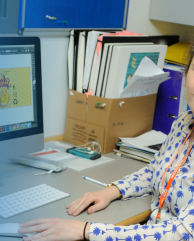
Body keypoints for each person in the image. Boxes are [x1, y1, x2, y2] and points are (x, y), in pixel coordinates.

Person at [18, 42, 194, 241]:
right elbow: (156, 170)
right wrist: (113, 191)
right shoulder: (184, 122)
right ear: (187, 73)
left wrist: (85, 230)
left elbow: (183, 232)